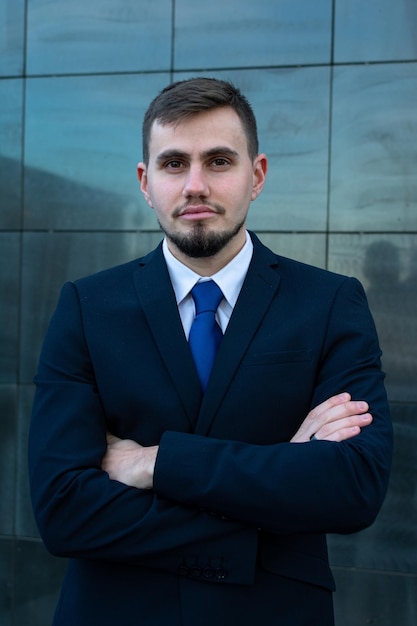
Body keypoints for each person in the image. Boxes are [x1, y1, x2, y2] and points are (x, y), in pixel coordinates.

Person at [28, 78, 393, 626]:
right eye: (174, 164)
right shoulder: (86, 306)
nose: (195, 185)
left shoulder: (329, 303)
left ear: (257, 175)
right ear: (145, 182)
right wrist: (281, 479)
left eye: (219, 161)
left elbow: (352, 488)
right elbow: (64, 512)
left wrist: (155, 462)